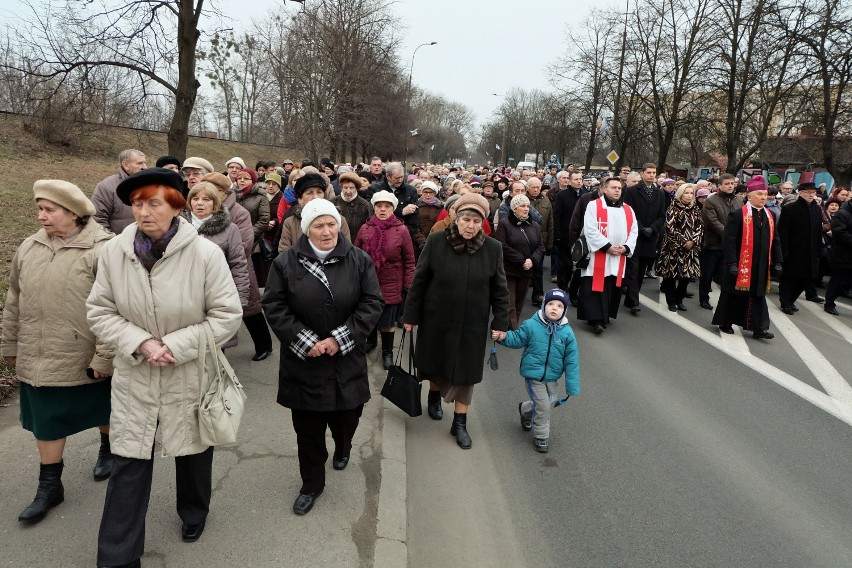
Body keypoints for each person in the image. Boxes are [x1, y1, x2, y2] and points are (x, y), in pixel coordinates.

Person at [86, 168, 242, 567]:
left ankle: (193, 511)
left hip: (189, 372)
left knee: (192, 450)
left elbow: (227, 314)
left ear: (176, 206)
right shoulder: (114, 252)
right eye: (137, 203)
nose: (143, 212)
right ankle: (118, 557)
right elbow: (100, 311)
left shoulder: (205, 254)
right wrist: (141, 342)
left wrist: (173, 345)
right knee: (129, 462)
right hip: (136, 375)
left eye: (153, 202)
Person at [2, 180, 114, 524]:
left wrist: (105, 355)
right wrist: (9, 341)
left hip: (84, 352)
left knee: (104, 408)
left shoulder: (103, 249)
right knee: (46, 421)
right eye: (40, 209)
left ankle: (109, 450)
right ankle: (49, 486)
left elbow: (118, 306)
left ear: (75, 214)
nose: (41, 217)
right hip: (39, 353)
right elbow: (14, 297)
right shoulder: (30, 247)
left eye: (49, 210)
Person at [262, 199, 383, 516]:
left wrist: (340, 339)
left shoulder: (359, 260)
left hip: (346, 359)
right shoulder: (286, 263)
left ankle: (343, 446)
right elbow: (274, 306)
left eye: (331, 224)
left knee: (348, 418)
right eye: (319, 225)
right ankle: (311, 484)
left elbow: (372, 303)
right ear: (307, 229)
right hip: (304, 363)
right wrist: (305, 341)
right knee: (308, 430)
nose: (327, 231)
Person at [403, 193, 510, 445]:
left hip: (472, 323)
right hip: (436, 318)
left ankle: (459, 423)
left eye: (476, 221)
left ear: (482, 223)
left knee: (467, 374)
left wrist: (500, 322)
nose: (470, 226)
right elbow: (420, 280)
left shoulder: (492, 249)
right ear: (455, 218)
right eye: (466, 220)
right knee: (435, 363)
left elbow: (500, 289)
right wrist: (410, 315)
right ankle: (433, 395)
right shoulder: (437, 241)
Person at [493, 288, 579, 454]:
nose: (554, 308)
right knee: (544, 404)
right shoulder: (532, 325)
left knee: (550, 402)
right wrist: (503, 337)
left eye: (559, 306)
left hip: (552, 377)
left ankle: (526, 410)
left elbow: (572, 360)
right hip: (533, 376)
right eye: (551, 304)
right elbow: (517, 338)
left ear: (564, 310)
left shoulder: (567, 333)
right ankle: (541, 436)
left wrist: (572, 385)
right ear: (543, 306)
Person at [203, 171, 275, 362]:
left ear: (224, 192)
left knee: (250, 310)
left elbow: (245, 244)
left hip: (237, 269)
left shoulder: (238, 212)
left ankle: (264, 345)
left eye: (215, 189)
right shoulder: (200, 210)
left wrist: (215, 260)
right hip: (208, 276)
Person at [711, 175, 781, 339]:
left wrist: (778, 261)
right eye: (760, 194)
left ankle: (758, 328)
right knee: (733, 295)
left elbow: (775, 239)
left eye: (765, 194)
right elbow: (729, 241)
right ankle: (726, 322)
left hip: (760, 264)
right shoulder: (737, 215)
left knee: (758, 295)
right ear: (749, 196)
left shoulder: (770, 215)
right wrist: (731, 263)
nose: (763, 197)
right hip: (740, 264)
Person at [354, 190, 415, 369]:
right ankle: (371, 342)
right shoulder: (365, 229)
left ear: (393, 209)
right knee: (370, 315)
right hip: (368, 281)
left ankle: (387, 351)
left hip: (392, 282)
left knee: (388, 322)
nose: (382, 209)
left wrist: (407, 285)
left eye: (387, 206)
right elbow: (355, 255)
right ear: (373, 208)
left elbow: (409, 260)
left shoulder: (401, 230)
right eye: (379, 206)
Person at [184, 181, 250, 346]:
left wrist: (239, 299)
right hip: (184, 297)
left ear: (215, 203)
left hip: (216, 294)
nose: (200, 203)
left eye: (206, 199)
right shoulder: (178, 226)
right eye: (195, 198)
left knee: (215, 347)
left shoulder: (229, 229)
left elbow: (238, 265)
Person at [577, 177, 638, 334]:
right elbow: (590, 229)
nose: (617, 190)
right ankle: (595, 319)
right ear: (604, 189)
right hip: (599, 254)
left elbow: (633, 232)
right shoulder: (594, 206)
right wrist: (607, 247)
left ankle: (605, 316)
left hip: (618, 256)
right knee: (595, 286)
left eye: (619, 188)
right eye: (613, 187)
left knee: (611, 286)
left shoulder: (628, 209)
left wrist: (625, 247)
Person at [494, 194, 545, 330]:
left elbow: (540, 246)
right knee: (509, 302)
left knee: (520, 301)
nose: (526, 209)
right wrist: (521, 260)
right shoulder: (505, 224)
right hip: (509, 270)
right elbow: (501, 245)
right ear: (514, 208)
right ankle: (514, 329)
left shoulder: (534, 225)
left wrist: (532, 260)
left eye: (528, 206)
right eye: (522, 206)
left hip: (527, 270)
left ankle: (510, 325)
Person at [622, 163, 666, 315]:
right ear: (642, 174)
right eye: (649, 172)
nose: (652, 175)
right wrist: (641, 228)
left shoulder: (659, 193)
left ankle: (630, 297)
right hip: (635, 235)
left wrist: (653, 228)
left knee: (641, 271)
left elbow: (662, 215)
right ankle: (634, 302)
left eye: (654, 172)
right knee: (633, 268)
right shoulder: (632, 191)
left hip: (650, 236)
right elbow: (628, 211)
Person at [655, 183, 704, 311]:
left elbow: (699, 226)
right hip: (674, 248)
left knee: (686, 277)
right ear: (680, 194)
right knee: (671, 276)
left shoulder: (695, 209)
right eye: (686, 193)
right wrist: (683, 242)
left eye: (691, 193)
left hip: (690, 249)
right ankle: (671, 302)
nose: (688, 196)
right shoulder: (673, 207)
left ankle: (679, 299)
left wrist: (692, 241)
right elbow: (670, 227)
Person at [698, 173, 743, 310]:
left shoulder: (738, 201)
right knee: (707, 274)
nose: (730, 186)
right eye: (727, 184)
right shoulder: (711, 201)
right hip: (713, 244)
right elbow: (712, 222)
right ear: (719, 186)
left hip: (730, 247)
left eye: (732, 184)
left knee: (726, 275)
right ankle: (704, 297)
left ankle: (725, 300)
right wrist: (730, 235)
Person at [778, 182, 822, 314]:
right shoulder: (790, 209)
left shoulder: (816, 209)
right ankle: (785, 302)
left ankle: (791, 300)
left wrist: (819, 249)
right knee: (789, 278)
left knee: (805, 279)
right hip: (794, 251)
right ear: (800, 193)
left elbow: (819, 230)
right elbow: (783, 232)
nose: (811, 195)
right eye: (808, 192)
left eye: (813, 192)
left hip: (811, 251)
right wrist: (784, 251)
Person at [279, 173, 351, 253]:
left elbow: (346, 250)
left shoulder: (339, 219)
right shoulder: (290, 223)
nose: (315, 197)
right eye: (309, 193)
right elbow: (284, 253)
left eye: (319, 192)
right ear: (300, 199)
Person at [92, 149, 148, 234]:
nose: (145, 167)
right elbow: (98, 220)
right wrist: (112, 243)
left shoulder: (150, 186)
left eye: (144, 163)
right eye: (140, 163)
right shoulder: (106, 187)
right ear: (126, 165)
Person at [527, 177, 553, 304]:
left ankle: (538, 294)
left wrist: (549, 243)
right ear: (528, 188)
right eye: (533, 187)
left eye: (538, 187)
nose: (536, 190)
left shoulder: (546, 200)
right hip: (525, 239)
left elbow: (550, 223)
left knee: (538, 269)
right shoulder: (523, 200)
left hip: (540, 240)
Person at [825, 198, 852, 315]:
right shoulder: (842, 213)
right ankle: (829, 303)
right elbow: (839, 232)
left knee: (846, 282)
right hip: (842, 254)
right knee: (837, 280)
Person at [331, 171, 373, 240]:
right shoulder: (332, 203)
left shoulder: (365, 206)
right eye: (345, 187)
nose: (348, 191)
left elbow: (368, 230)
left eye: (351, 188)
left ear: (356, 188)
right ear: (341, 187)